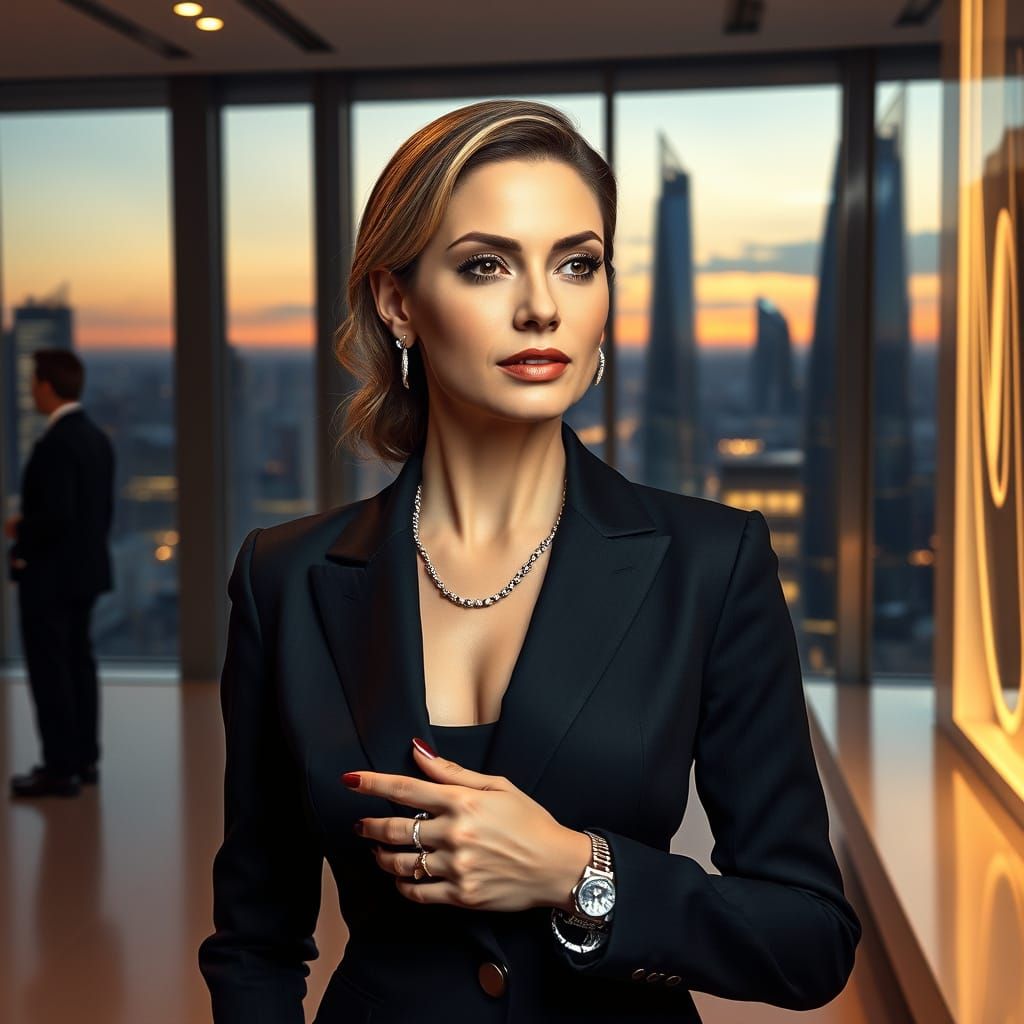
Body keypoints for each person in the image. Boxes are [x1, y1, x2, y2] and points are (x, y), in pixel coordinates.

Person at [198, 99, 861, 1023]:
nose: (542, 305)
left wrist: (578, 872)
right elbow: (255, 942)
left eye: (577, 263)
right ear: (398, 301)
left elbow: (809, 939)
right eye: (485, 265)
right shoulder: (287, 578)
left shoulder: (710, 564)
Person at [7, 349, 115, 798]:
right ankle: (84, 759)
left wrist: (19, 538)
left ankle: (59, 769)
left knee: (51, 671)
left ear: (48, 385)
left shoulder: (55, 443)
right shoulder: (95, 437)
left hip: (51, 578)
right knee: (78, 664)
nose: (31, 389)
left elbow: (56, 516)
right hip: (85, 573)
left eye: (34, 381)